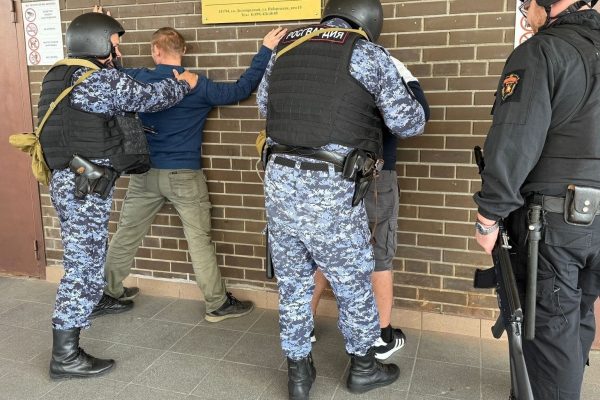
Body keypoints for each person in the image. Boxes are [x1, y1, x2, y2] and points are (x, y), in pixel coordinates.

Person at [257, 0, 426, 397]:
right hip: (331, 187)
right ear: (369, 19)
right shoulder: (368, 54)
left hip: (279, 183)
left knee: (293, 284)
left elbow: (265, 105)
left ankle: (299, 375)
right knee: (352, 282)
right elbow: (408, 123)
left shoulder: (285, 49)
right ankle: (363, 368)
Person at [90, 25, 287, 322]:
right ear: (182, 51)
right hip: (184, 175)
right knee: (199, 240)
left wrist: (103, 35)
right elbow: (241, 89)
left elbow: (110, 72)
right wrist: (265, 50)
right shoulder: (197, 84)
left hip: (144, 174)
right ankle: (217, 304)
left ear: (155, 51)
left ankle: (108, 292)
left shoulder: (138, 79)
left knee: (126, 234)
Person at [39, 12, 197, 379]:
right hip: (85, 186)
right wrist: (183, 84)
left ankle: (95, 299)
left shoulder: (59, 73)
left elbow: (111, 94)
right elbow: (147, 97)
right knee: (83, 264)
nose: (118, 51)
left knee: (88, 253)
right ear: (97, 44)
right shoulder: (96, 79)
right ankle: (65, 356)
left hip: (71, 179)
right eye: (114, 45)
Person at [474, 0, 600, 398]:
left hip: (555, 227)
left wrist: (488, 217)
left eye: (526, 5)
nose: (526, 14)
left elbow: (513, 142)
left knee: (550, 331)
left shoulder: (542, 51)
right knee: (577, 318)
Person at [310, 58, 430, 361]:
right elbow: (418, 116)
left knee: (324, 251)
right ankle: (380, 337)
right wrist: (405, 75)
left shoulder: (323, 65)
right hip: (374, 174)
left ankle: (304, 325)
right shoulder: (382, 64)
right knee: (378, 256)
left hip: (327, 176)